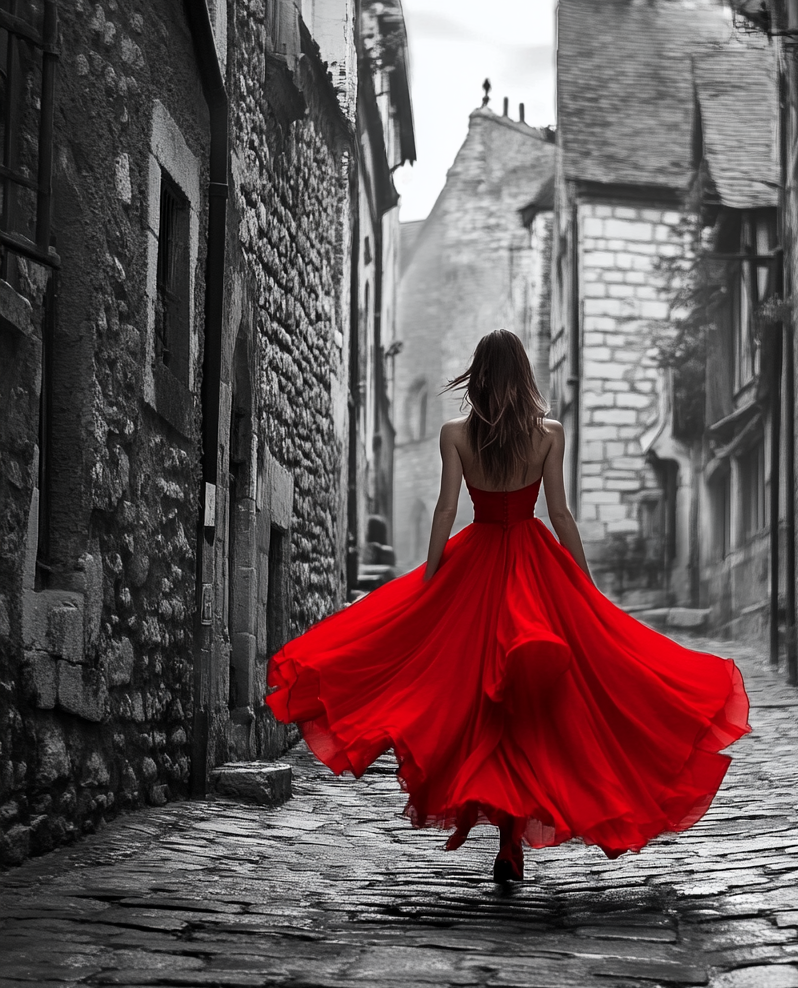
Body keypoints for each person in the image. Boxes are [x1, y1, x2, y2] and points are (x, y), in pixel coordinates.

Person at [266, 330, 750, 883]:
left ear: (478, 376)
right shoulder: (549, 434)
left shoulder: (454, 435)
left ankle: (505, 838)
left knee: (477, 706)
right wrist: (584, 585)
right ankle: (512, 840)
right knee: (538, 708)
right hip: (534, 565)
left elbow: (447, 509)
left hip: (474, 564)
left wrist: (430, 580)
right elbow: (561, 514)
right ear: (523, 376)